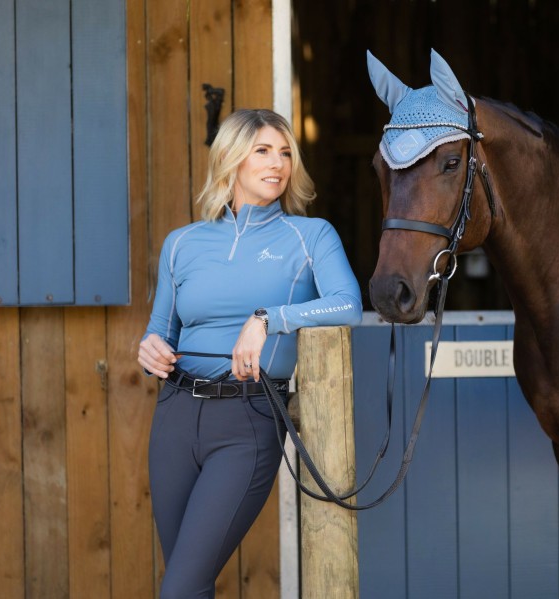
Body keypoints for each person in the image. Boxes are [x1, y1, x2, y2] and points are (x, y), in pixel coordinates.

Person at [137, 108, 362, 598]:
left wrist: (267, 319)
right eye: (262, 150)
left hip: (248, 419)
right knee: (187, 583)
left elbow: (348, 305)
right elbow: (161, 331)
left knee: (179, 589)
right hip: (175, 417)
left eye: (285, 153)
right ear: (232, 159)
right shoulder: (183, 244)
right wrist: (149, 350)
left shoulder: (310, 236)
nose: (277, 163)